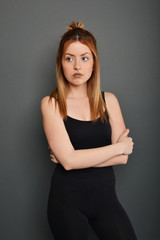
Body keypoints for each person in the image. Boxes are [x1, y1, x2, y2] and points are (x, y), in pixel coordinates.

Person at [41, 21, 137, 240]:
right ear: (61, 63)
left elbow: (122, 159)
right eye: (69, 58)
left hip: (106, 200)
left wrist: (75, 158)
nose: (77, 66)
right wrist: (118, 147)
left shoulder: (109, 100)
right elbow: (69, 162)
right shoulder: (50, 104)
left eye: (84, 58)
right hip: (66, 202)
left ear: (94, 63)